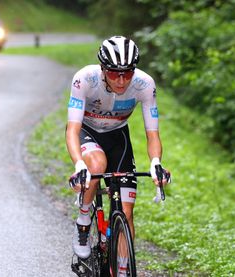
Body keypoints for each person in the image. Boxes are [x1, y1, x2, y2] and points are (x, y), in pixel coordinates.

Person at [66, 35, 171, 274]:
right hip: (86, 131)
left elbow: (152, 134)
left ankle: (122, 271)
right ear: (103, 69)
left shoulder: (144, 84)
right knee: (96, 164)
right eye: (114, 73)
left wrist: (156, 162)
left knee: (126, 212)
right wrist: (78, 164)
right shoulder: (85, 79)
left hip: (117, 137)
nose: (122, 80)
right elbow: (72, 129)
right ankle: (83, 224)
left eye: (128, 72)